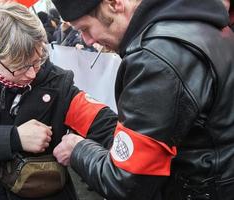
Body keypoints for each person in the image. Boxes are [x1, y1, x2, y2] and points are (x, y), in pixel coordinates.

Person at [0, 1, 117, 200]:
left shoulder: (57, 83)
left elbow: (107, 126)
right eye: (20, 66)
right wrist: (12, 138)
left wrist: (82, 149)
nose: (32, 73)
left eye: (38, 60)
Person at [51, 0, 234, 199]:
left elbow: (126, 182)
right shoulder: (193, 24)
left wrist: (78, 149)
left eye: (85, 28)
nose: (86, 40)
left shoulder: (154, 59)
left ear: (114, 4)